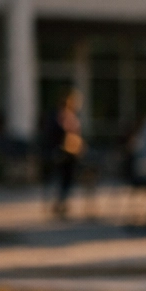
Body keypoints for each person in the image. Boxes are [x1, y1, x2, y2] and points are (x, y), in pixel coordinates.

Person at [42, 88, 84, 219]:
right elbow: (67, 134)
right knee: (66, 178)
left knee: (64, 179)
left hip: (64, 154)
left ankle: (61, 202)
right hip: (63, 155)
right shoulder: (62, 116)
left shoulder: (58, 115)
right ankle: (61, 202)